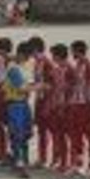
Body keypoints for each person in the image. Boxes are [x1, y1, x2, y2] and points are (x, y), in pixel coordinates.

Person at [68, 40, 90, 176]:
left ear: (78, 51)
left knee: (88, 134)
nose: (71, 53)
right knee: (76, 135)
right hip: (76, 105)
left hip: (86, 106)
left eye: (73, 51)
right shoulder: (78, 65)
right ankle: (78, 164)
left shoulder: (89, 67)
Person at [4, 42, 37, 178]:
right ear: (21, 54)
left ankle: (21, 160)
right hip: (15, 104)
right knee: (17, 133)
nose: (28, 59)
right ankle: (19, 162)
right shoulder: (13, 68)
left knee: (26, 133)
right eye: (27, 56)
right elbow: (22, 87)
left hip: (23, 103)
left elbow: (29, 82)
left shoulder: (24, 65)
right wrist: (40, 87)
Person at [29, 37, 55, 168]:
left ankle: (56, 158)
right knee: (41, 130)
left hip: (47, 101)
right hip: (39, 100)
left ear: (36, 49)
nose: (30, 54)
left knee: (52, 131)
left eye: (31, 50)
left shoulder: (47, 63)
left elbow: (52, 85)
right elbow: (37, 81)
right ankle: (42, 158)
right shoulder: (37, 63)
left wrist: (35, 87)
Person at [47, 44, 72, 174]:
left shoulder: (70, 70)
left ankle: (68, 162)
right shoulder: (56, 70)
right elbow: (52, 89)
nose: (52, 57)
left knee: (67, 135)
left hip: (66, 107)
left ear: (58, 56)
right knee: (57, 135)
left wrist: (65, 105)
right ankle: (59, 160)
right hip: (56, 106)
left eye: (53, 55)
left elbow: (72, 90)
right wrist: (50, 105)